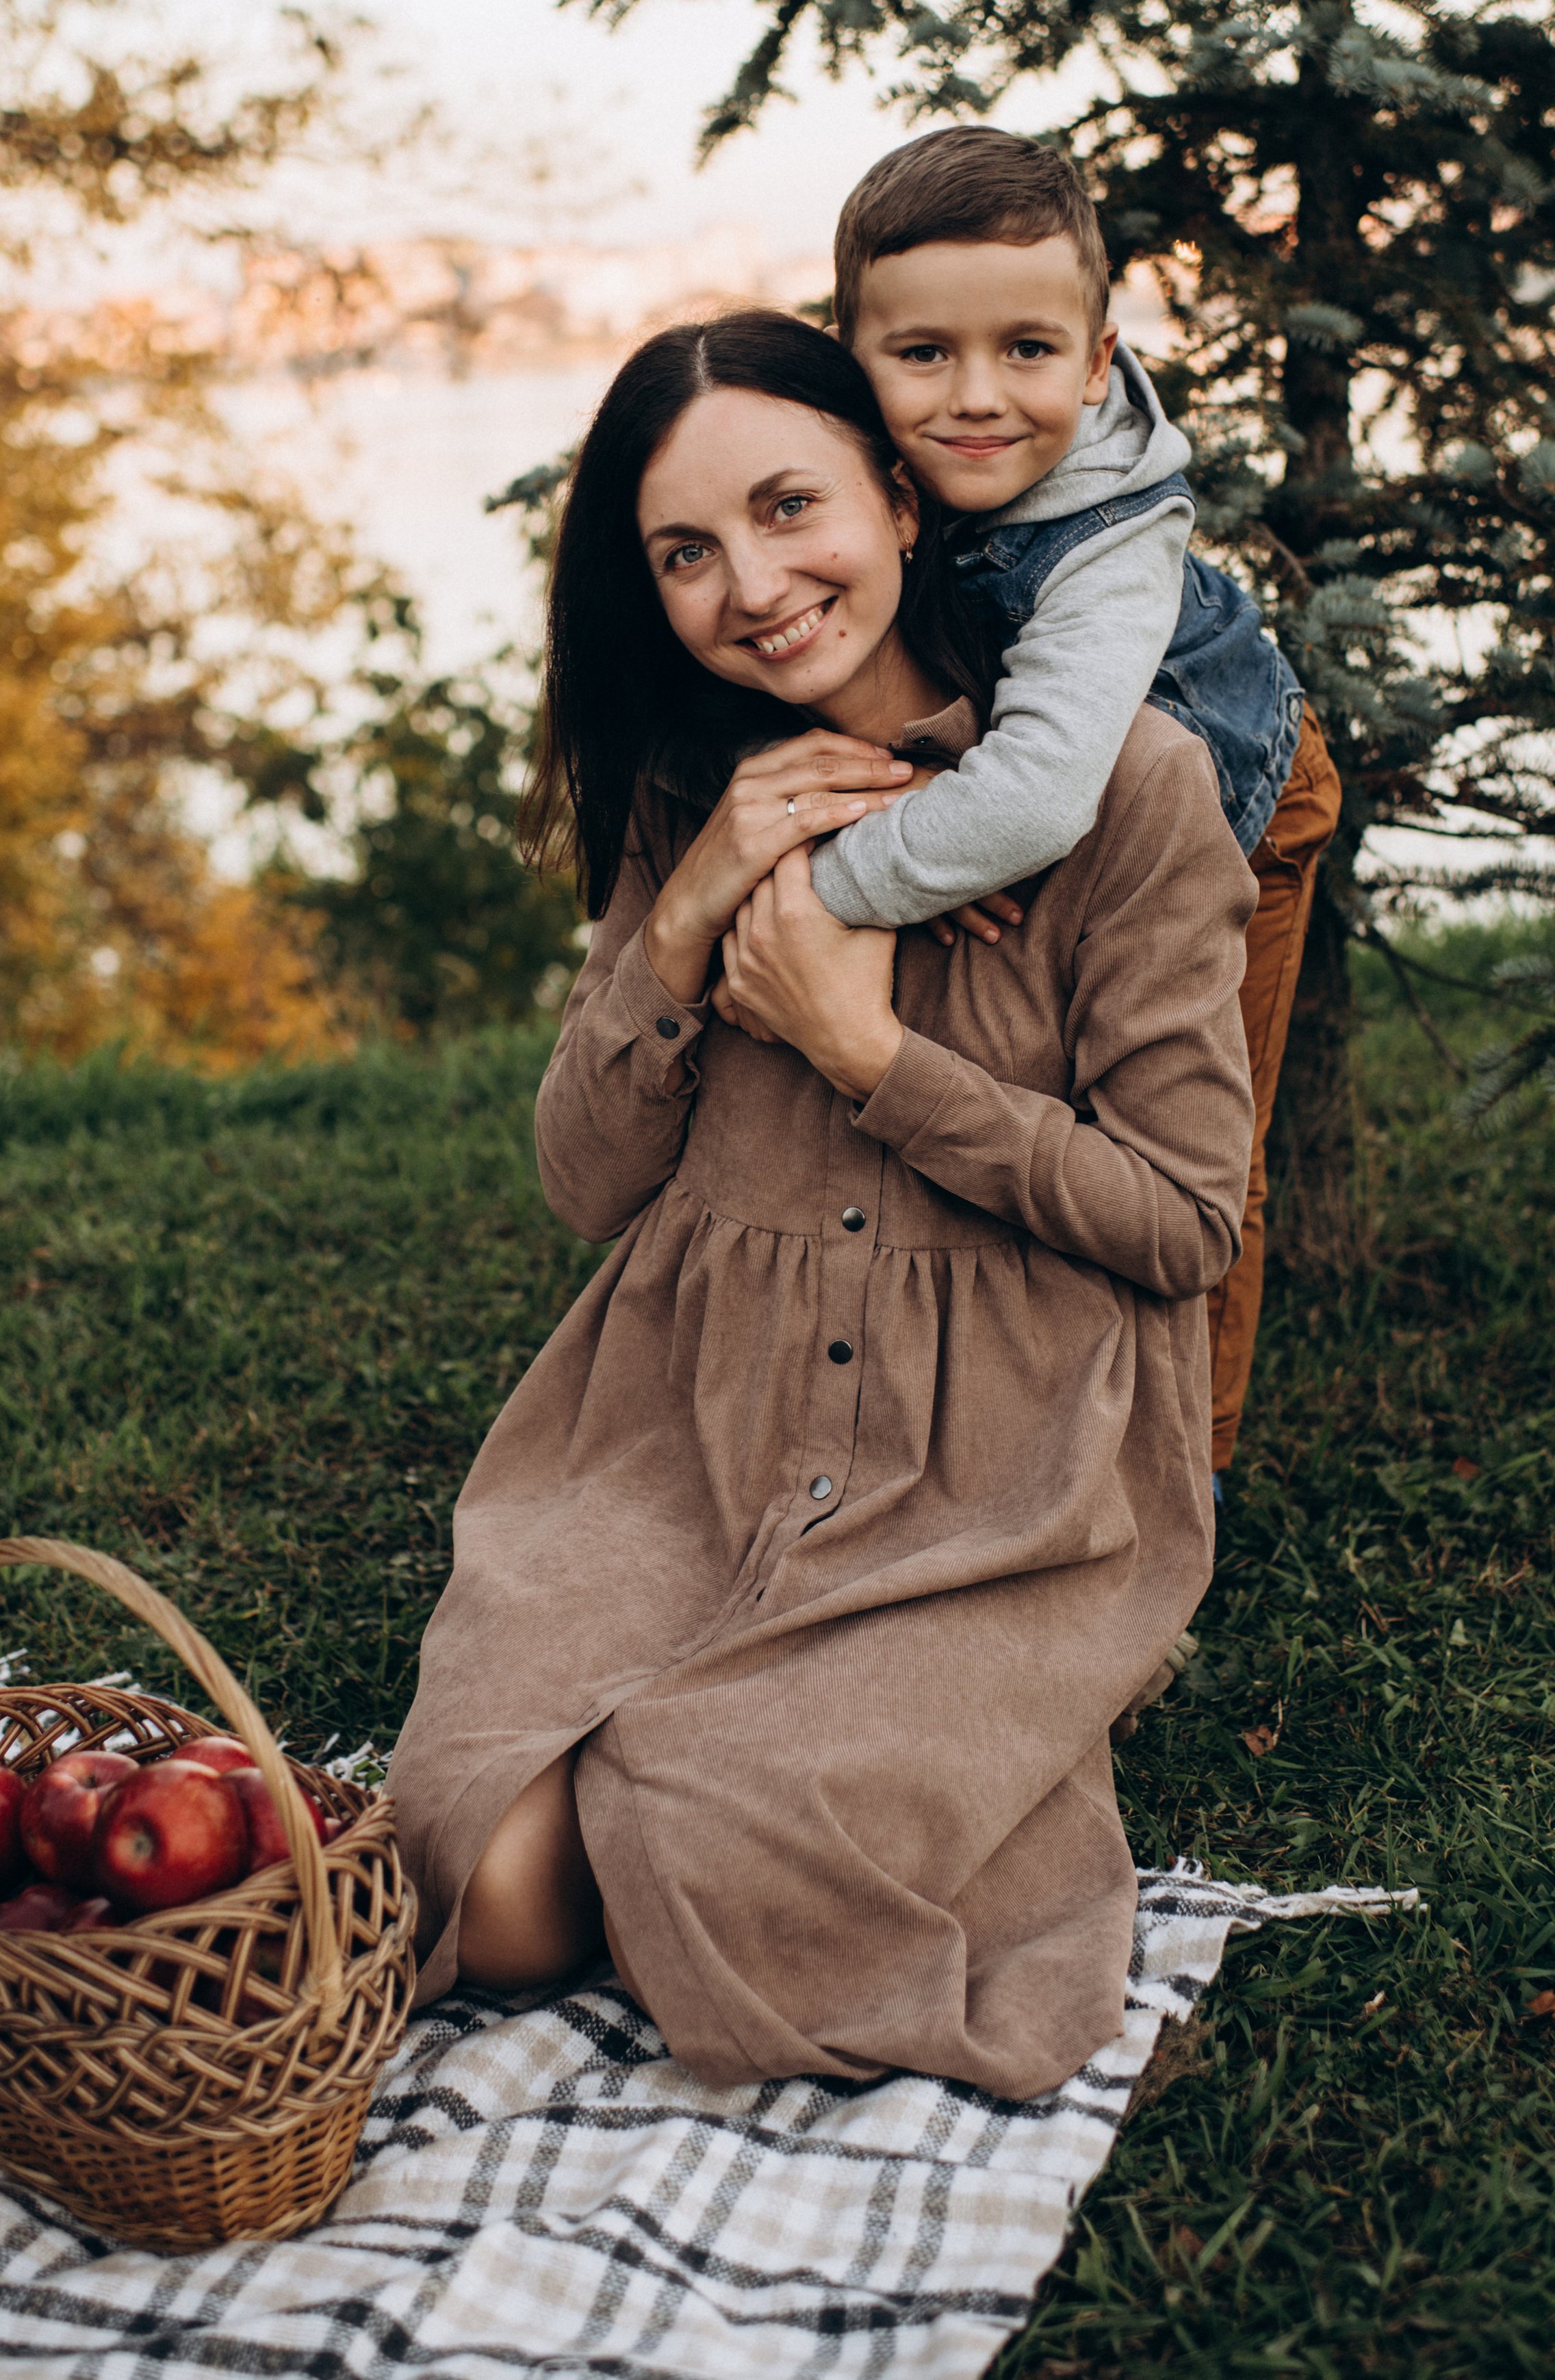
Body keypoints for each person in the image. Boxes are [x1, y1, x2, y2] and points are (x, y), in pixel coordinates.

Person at [385, 311, 1257, 2100]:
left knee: (702, 1836)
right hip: (676, 1435)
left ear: (901, 490)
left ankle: (836, 1756)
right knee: (484, 1873)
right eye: (687, 553)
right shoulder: (688, 791)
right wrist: (693, 901)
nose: (755, 587)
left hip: (991, 1476)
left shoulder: (1126, 788)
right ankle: (696, 1748)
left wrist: (873, 1058)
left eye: (793, 507)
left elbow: (1184, 1225)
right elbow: (588, 1181)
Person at [807, 129, 1341, 1486]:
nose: (975, 398)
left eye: (1027, 352)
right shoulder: (855, 477)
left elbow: (1037, 796)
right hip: (1054, 791)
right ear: (845, 349)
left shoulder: (1111, 541)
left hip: (1239, 806)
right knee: (1036, 1116)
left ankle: (1186, 1477)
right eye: (921, 353)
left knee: (1190, 1141)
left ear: (1098, 360)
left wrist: (818, 887)